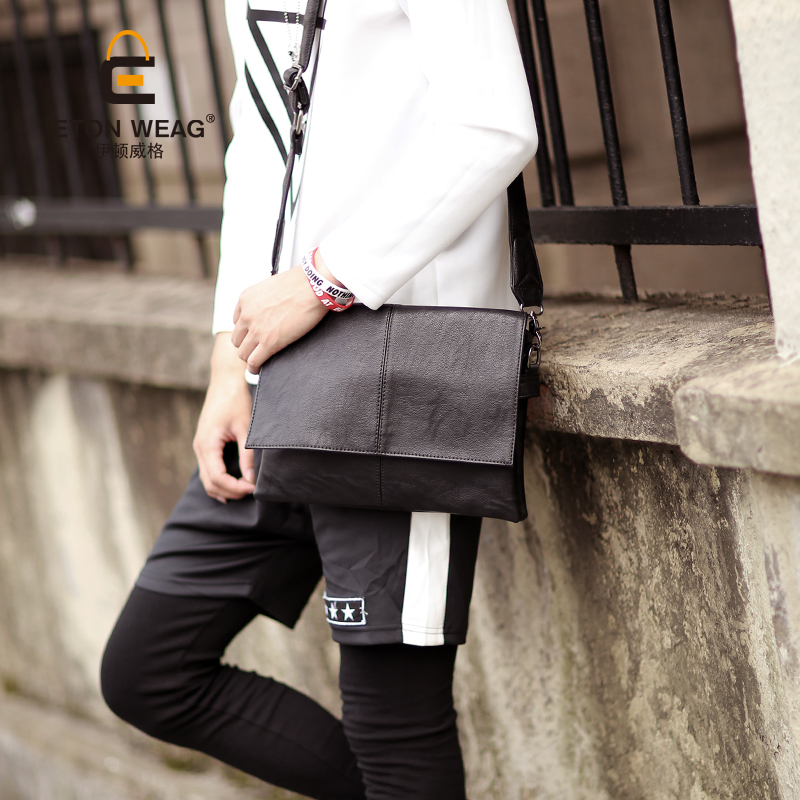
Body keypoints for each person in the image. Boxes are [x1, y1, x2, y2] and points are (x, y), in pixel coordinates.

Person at [100, 0, 537, 798]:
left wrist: (321, 281)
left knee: (394, 732)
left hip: (399, 370)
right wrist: (228, 359)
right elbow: (261, 141)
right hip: (277, 375)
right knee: (149, 672)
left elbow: (492, 124)